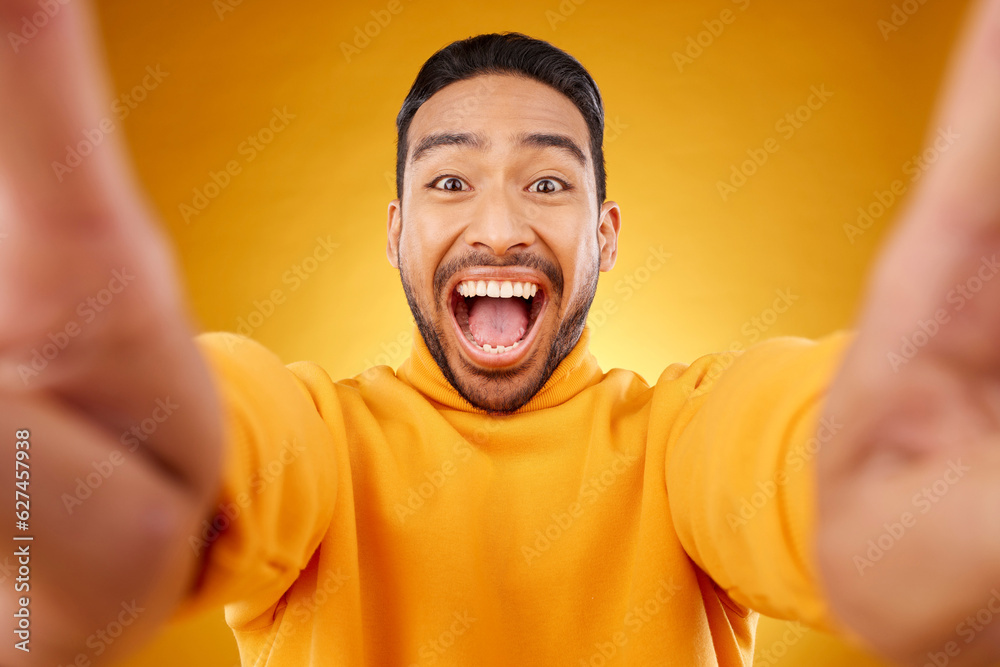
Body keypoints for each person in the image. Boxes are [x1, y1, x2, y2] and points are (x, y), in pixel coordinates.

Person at [3, 0, 1000, 665]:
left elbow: (768, 447)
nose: (496, 226)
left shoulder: (681, 439)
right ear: (396, 232)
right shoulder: (322, 438)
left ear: (603, 235)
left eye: (548, 182)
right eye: (448, 181)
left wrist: (874, 486)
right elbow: (248, 444)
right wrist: (140, 468)